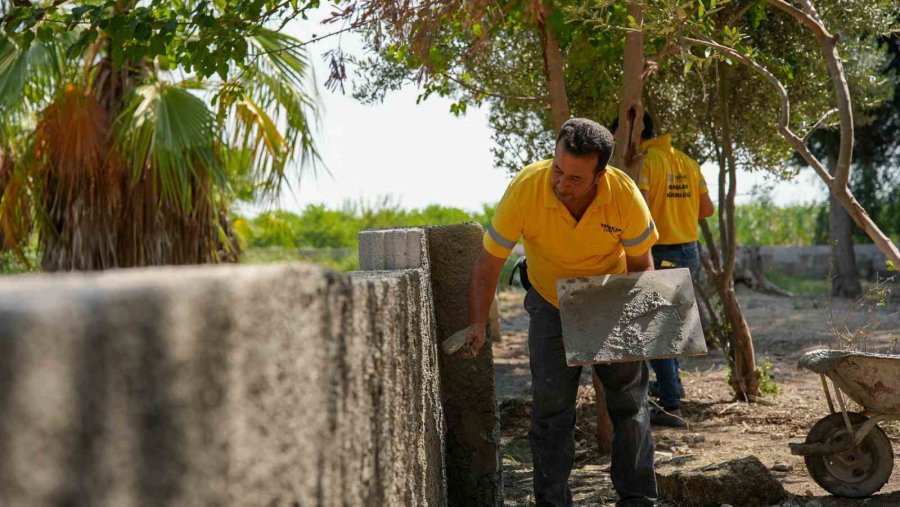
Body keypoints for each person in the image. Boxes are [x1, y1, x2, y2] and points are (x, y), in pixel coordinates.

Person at [462, 118, 658, 507]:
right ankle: (552, 501)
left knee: (630, 405)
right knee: (552, 411)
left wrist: (639, 326)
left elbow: (641, 265)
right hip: (550, 302)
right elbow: (488, 265)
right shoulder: (526, 189)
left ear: (600, 175)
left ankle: (638, 499)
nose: (561, 183)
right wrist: (477, 324)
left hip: (609, 299)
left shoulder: (623, 194)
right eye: (558, 170)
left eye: (575, 178)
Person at [630, 113, 715, 427]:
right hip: (689, 250)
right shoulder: (687, 162)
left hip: (661, 250)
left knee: (657, 329)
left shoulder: (648, 162)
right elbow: (707, 209)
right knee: (670, 323)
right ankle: (671, 387)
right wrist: (682, 209)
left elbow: (643, 210)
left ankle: (670, 405)